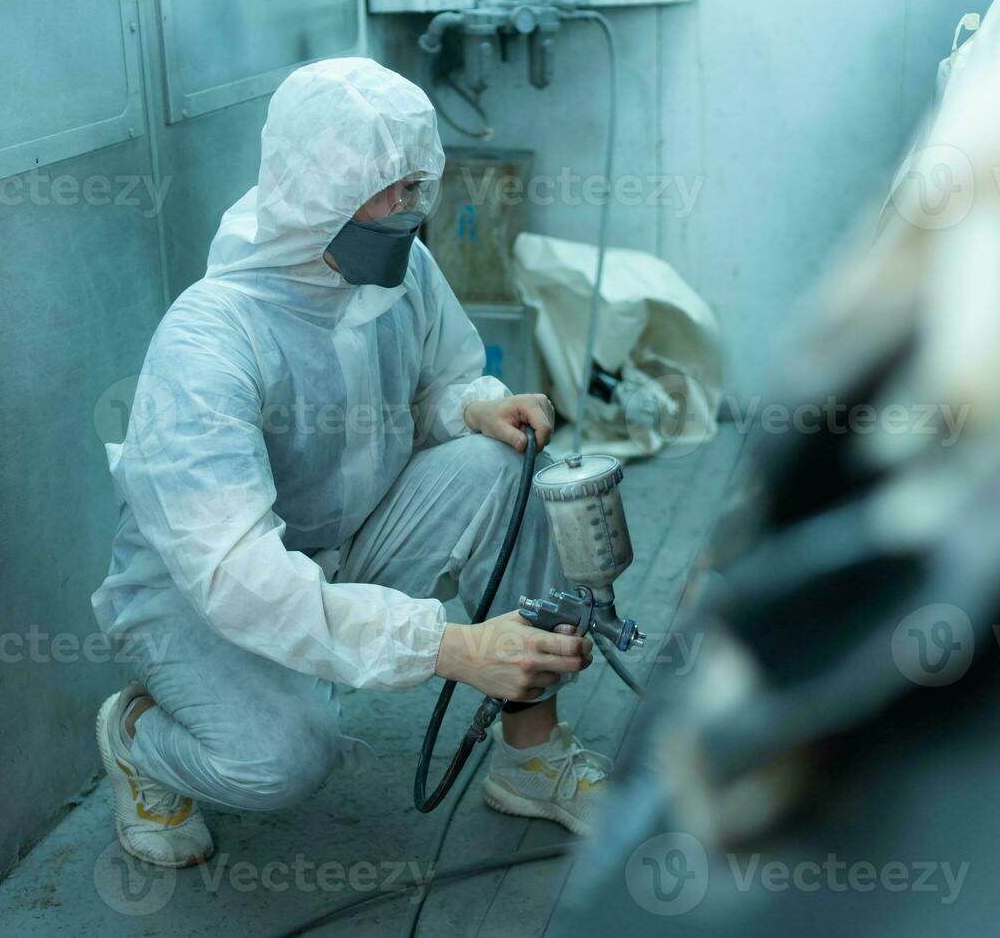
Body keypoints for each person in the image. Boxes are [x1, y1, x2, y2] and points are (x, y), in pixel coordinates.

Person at [89, 58, 612, 869]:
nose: (411, 209)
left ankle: (531, 756)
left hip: (343, 540)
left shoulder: (394, 273)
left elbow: (439, 380)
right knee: (278, 761)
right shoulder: (211, 339)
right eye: (392, 188)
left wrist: (470, 406)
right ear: (319, 189)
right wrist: (451, 646)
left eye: (417, 186)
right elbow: (237, 575)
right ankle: (138, 736)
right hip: (203, 593)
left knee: (507, 469)